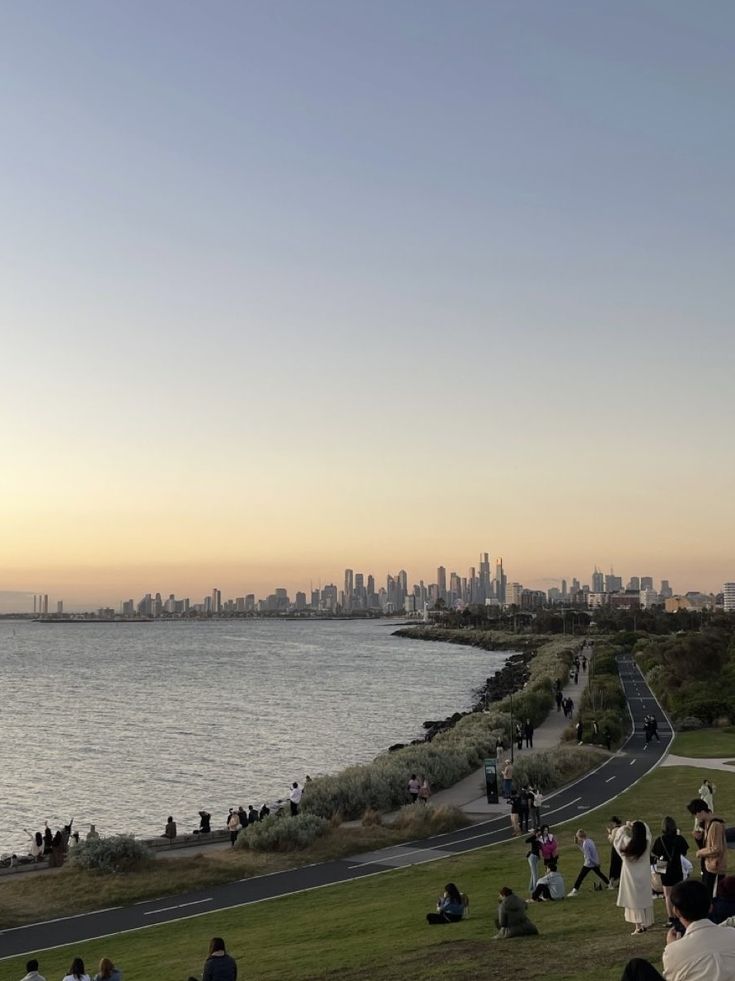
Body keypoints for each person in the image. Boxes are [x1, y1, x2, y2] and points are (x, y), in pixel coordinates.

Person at [620, 879, 735, 981]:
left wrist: (673, 947)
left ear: (676, 911)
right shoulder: (732, 934)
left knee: (635, 967)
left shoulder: (674, 951)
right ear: (710, 907)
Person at [613, 820, 654, 934]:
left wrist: (625, 827)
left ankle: (638, 926)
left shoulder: (627, 843)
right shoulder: (646, 843)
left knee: (633, 900)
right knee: (643, 898)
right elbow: (648, 832)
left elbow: (618, 839)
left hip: (630, 876)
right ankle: (645, 923)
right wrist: (639, 823)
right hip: (644, 876)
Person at [651, 816, 689, 926]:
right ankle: (681, 915)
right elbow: (684, 852)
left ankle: (671, 918)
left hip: (665, 868)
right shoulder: (679, 838)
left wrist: (659, 869)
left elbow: (657, 855)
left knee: (667, 895)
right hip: (677, 868)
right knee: (679, 893)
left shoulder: (660, 840)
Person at [687, 797, 727, 896]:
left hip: (715, 867)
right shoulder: (707, 823)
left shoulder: (715, 825)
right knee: (707, 894)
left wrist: (700, 853)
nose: (696, 817)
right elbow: (708, 845)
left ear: (701, 812)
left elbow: (717, 848)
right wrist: (699, 839)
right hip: (709, 865)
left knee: (712, 897)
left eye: (695, 814)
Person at [568, 829, 609, 895]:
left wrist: (596, 863)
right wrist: (578, 845)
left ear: (579, 837)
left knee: (580, 877)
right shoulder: (590, 841)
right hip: (594, 862)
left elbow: (588, 857)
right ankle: (609, 884)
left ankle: (574, 890)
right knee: (600, 874)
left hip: (589, 864)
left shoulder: (585, 844)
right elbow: (587, 852)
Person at [607, 817, 623, 887]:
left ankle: (611, 883)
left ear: (614, 823)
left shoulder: (615, 830)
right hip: (621, 848)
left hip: (615, 849)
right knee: (620, 865)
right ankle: (620, 881)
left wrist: (609, 833)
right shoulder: (622, 829)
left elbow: (611, 840)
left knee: (613, 866)